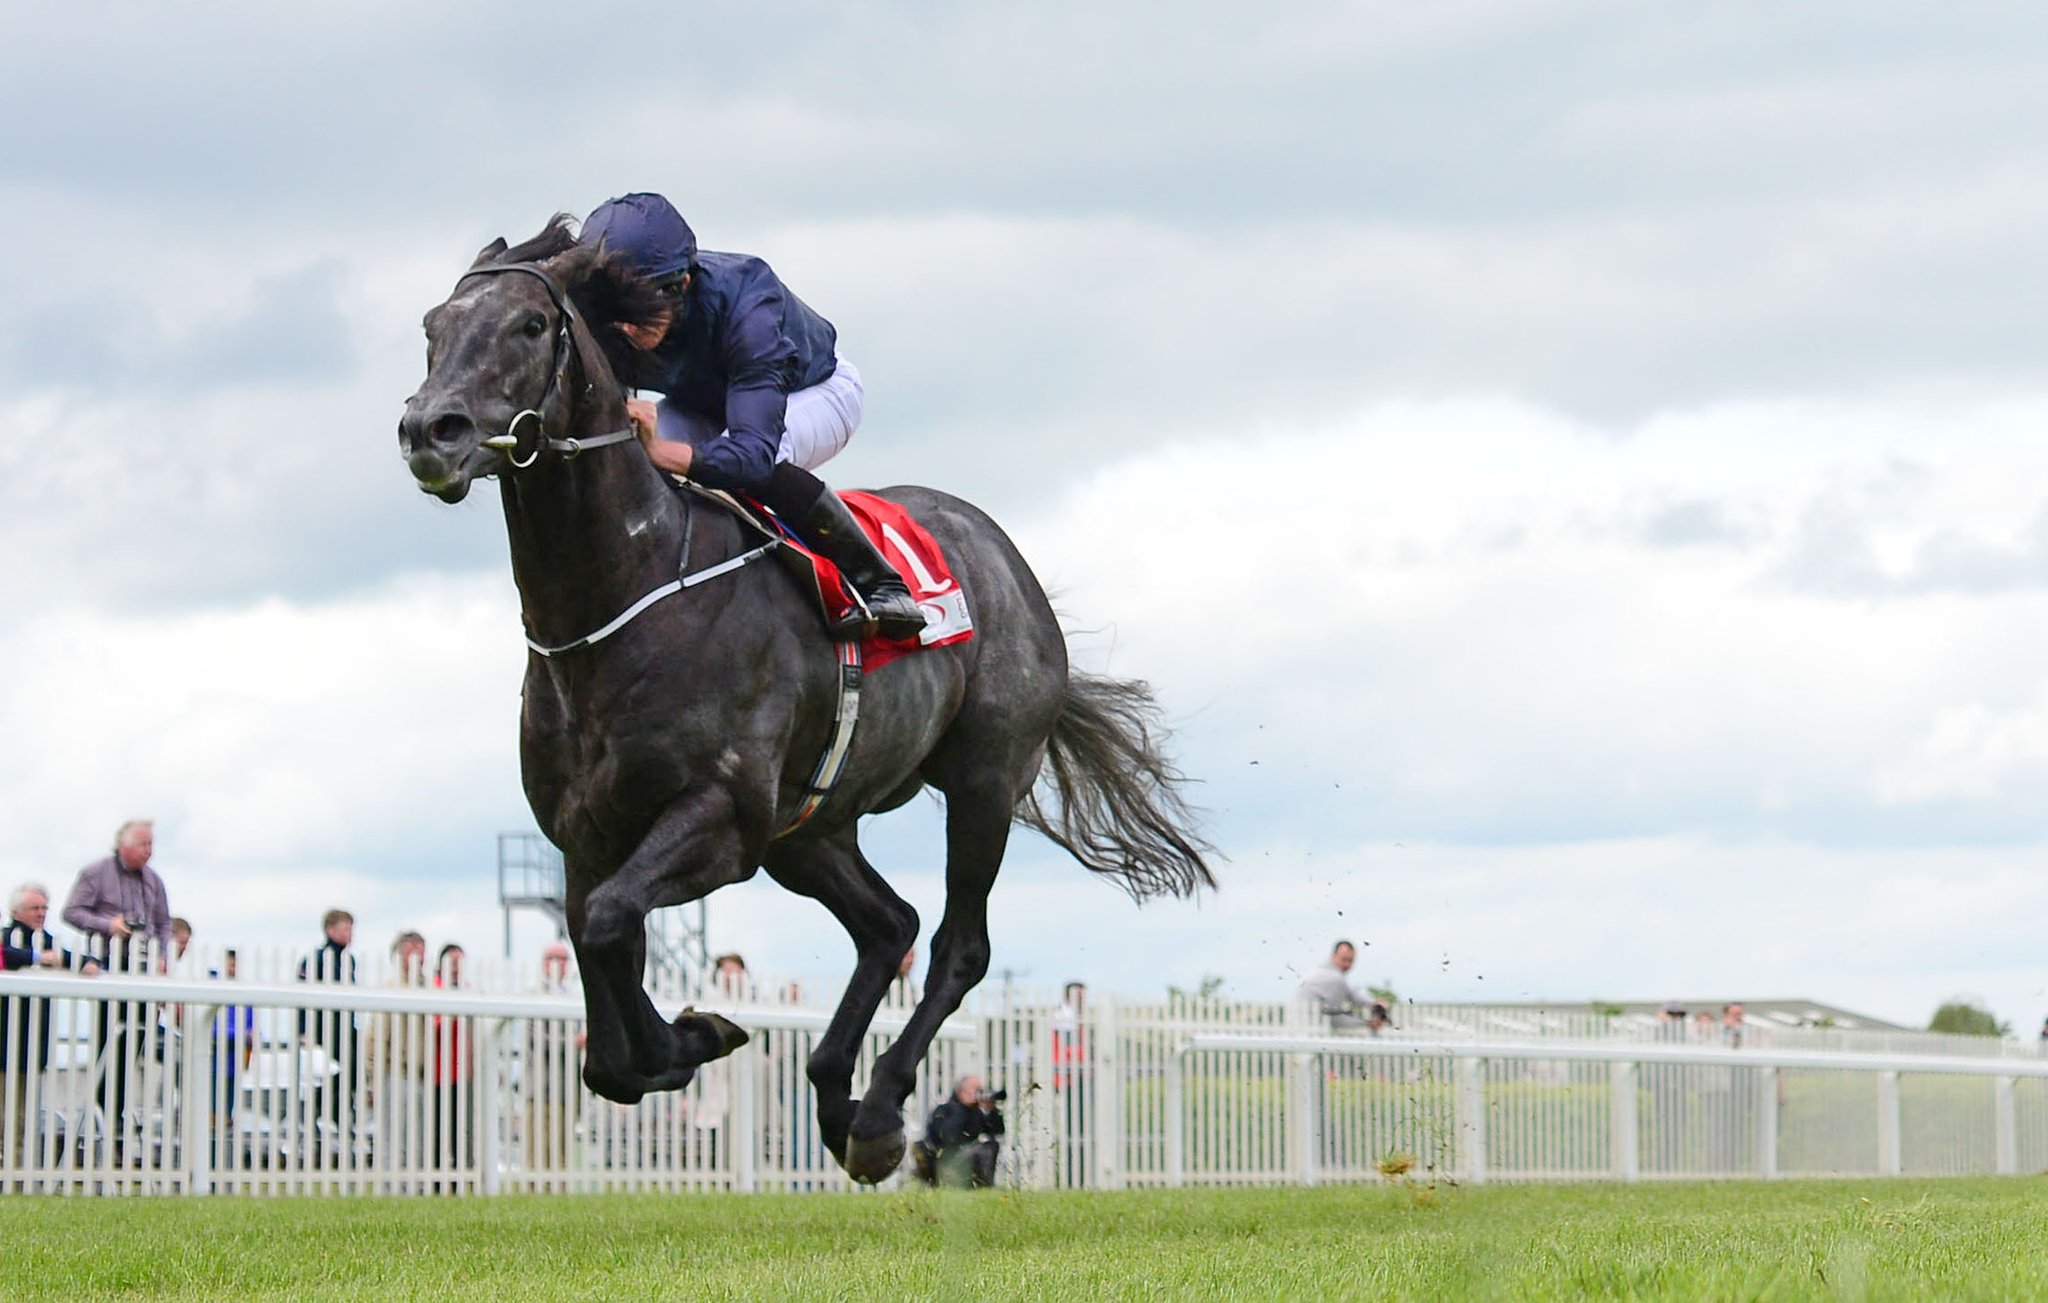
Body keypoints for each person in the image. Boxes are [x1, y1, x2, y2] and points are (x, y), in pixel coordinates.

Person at [580, 192, 926, 641]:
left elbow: (753, 454)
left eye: (637, 312)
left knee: (746, 469)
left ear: (682, 285)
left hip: (812, 393)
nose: (622, 329)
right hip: (700, 401)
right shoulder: (609, 307)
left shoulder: (749, 303)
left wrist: (664, 450)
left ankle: (879, 582)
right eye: (612, 312)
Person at [62, 819, 173, 1159]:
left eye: (151, 844)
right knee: (108, 1044)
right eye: (143, 844)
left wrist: (162, 956)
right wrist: (109, 925)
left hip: (143, 974)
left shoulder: (153, 880)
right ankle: (106, 1109)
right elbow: (72, 912)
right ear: (123, 844)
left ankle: (121, 1114)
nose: (148, 851)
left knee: (134, 1046)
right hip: (109, 969)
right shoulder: (96, 873)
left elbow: (164, 922)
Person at [1, 884, 97, 1179]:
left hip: (31, 1049)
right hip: (5, 1046)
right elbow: (9, 955)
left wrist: (71, 961)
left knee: (20, 1120)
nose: (41, 913)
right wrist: (37, 958)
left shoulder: (48, 941)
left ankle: (15, 1179)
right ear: (17, 911)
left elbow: (84, 963)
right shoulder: (9, 939)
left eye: (44, 908)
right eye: (35, 908)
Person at [297, 909, 360, 1161]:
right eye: (345, 928)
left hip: (346, 1027)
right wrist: (305, 1030)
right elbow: (302, 995)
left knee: (350, 1075)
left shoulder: (349, 960)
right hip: (323, 1028)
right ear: (330, 930)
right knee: (329, 1076)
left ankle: (339, 1115)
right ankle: (317, 1115)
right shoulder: (316, 958)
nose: (349, 933)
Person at [525, 941, 578, 1177]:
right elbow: (537, 1039)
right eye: (553, 959)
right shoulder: (535, 996)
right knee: (538, 1147)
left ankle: (560, 1188)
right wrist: (573, 1042)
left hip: (567, 1086)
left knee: (563, 1146)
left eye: (563, 960)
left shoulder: (572, 997)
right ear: (544, 963)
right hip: (540, 1085)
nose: (559, 965)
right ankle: (535, 1192)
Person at [913, 1073, 1005, 1188]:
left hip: (968, 1161)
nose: (979, 1094)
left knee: (989, 1146)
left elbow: (997, 1132)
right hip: (945, 1163)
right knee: (981, 1150)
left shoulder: (977, 1113)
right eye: (976, 1090)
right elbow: (949, 1138)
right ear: (962, 1091)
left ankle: (984, 1186)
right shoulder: (944, 1111)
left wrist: (991, 1111)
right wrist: (962, 1107)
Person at [1296, 941, 1375, 1030]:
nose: (1347, 964)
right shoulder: (1334, 979)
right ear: (1333, 956)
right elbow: (1335, 1019)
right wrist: (1368, 1023)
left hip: (1298, 1029)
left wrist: (1372, 1002)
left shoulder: (1320, 972)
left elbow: (1351, 993)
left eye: (1350, 961)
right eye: (1344, 959)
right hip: (1312, 1032)